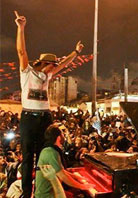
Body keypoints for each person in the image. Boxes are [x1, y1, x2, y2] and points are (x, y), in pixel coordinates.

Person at [14, 11, 84, 198]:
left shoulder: (48, 75)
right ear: (45, 63)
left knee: (45, 153)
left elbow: (66, 63)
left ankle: (43, 190)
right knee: (28, 157)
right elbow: (22, 51)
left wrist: (76, 52)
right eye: (53, 65)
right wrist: (21, 28)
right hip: (29, 117)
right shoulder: (27, 72)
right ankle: (27, 192)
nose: (55, 67)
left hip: (45, 117)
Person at [35, 123, 97, 198]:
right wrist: (82, 186)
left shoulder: (49, 149)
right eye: (62, 134)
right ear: (59, 138)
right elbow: (63, 176)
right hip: (47, 195)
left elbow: (62, 171)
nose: (64, 136)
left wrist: (77, 177)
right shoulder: (51, 152)